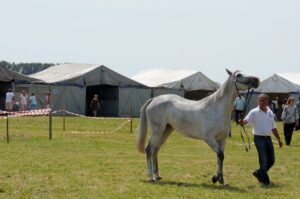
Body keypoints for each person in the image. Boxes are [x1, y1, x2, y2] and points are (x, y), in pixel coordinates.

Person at [240, 94, 283, 185]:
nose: (261, 102)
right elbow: (245, 121)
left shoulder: (270, 112)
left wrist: (279, 139)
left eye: (263, 100)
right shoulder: (254, 112)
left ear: (267, 101)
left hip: (268, 138)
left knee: (271, 160)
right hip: (258, 138)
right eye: (260, 100)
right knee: (263, 159)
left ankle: (258, 173)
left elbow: (273, 128)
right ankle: (265, 182)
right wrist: (241, 122)